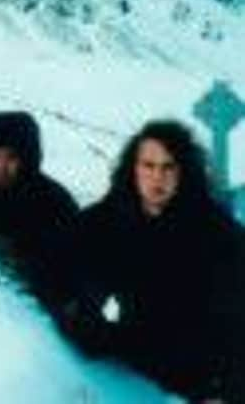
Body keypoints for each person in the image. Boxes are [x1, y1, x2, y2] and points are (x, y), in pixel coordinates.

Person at [63, 120, 245, 402]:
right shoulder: (109, 218)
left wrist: (228, 389)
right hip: (133, 365)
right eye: (148, 166)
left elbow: (236, 318)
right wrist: (85, 316)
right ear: (133, 169)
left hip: (202, 378)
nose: (157, 178)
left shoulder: (216, 232)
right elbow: (68, 269)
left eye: (168, 167)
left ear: (184, 172)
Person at [0, 111, 79, 304]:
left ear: (28, 157)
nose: (1, 167)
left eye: (11, 157)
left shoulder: (55, 203)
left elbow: (72, 277)